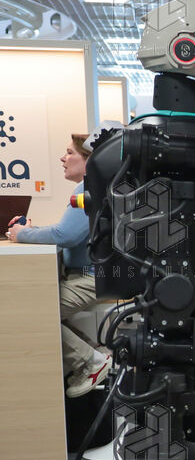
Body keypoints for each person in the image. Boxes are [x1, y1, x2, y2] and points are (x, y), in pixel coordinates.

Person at [8, 133, 111, 397]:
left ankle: (91, 362)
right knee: (36, 309)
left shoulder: (88, 189)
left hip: (90, 278)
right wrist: (31, 231)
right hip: (93, 276)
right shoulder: (94, 187)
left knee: (31, 312)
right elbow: (68, 231)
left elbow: (65, 236)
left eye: (70, 153)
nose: (63, 158)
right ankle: (95, 353)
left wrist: (23, 234)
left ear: (89, 160)